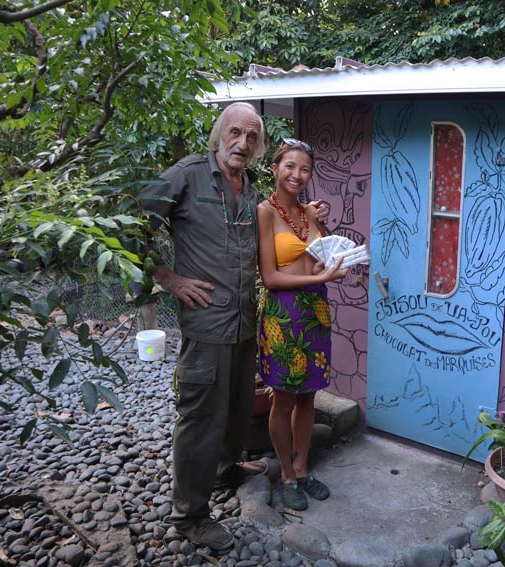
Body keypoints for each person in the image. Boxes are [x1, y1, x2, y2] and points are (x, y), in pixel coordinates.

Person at [140, 103, 328, 550]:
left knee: (239, 405)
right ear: (219, 133)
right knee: (202, 415)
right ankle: (190, 515)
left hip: (246, 318)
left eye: (251, 137)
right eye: (235, 133)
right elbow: (134, 223)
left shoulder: (249, 188)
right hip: (206, 321)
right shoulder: (187, 175)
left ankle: (226, 468)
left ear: (259, 146)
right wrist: (169, 279)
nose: (242, 143)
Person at [257, 139, 348, 511]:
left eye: (305, 169)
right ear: (276, 167)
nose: (297, 175)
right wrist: (320, 277)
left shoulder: (309, 214)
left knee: (308, 395)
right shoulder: (265, 212)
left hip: (316, 313)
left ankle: (303, 467)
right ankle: (286, 475)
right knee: (283, 400)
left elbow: (320, 262)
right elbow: (270, 277)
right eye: (290, 166)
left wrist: (322, 228)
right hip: (282, 314)